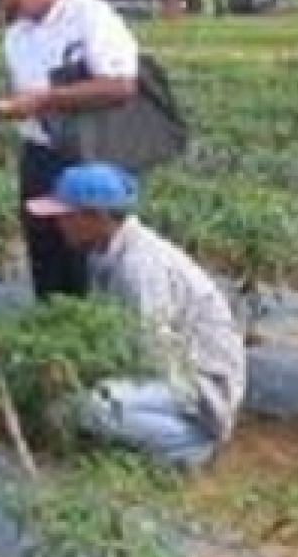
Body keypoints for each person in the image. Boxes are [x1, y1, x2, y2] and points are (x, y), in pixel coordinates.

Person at [27, 163, 246, 468]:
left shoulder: (140, 267)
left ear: (96, 217)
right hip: (172, 375)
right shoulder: (102, 252)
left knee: (90, 408)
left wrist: (85, 379)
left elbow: (151, 352)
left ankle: (191, 445)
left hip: (197, 383)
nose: (59, 224)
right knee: (67, 404)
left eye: (66, 216)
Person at [0, 0, 140, 300]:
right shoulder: (15, 36)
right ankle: (55, 340)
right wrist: (6, 109)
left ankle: (95, 340)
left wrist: (44, 100)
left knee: (88, 257)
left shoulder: (89, 16)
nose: (4, 4)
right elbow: (28, 99)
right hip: (40, 156)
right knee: (46, 253)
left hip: (91, 155)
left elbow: (121, 86)